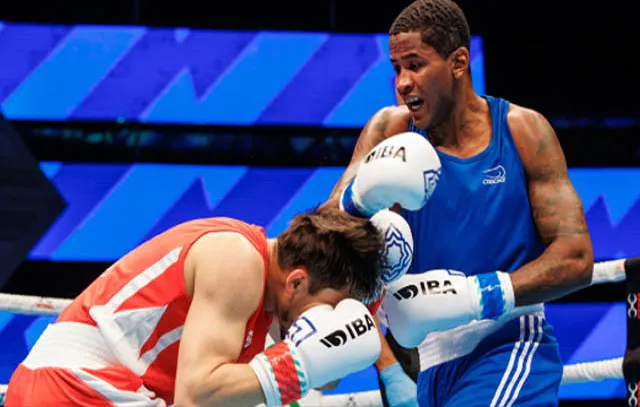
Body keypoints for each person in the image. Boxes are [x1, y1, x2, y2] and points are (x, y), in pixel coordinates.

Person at [323, 0, 594, 406]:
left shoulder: (520, 131)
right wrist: (357, 198)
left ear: (459, 62)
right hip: (431, 363)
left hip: (510, 343)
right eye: (396, 68)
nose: (402, 82)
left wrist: (479, 294)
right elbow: (327, 237)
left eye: (415, 65)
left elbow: (576, 258)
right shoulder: (391, 129)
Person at [5, 207, 402, 407]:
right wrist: (301, 363)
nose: (324, 320)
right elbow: (196, 396)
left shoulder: (272, 298)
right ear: (297, 280)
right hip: (74, 387)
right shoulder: (237, 259)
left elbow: (318, 369)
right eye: (327, 307)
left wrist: (337, 345)